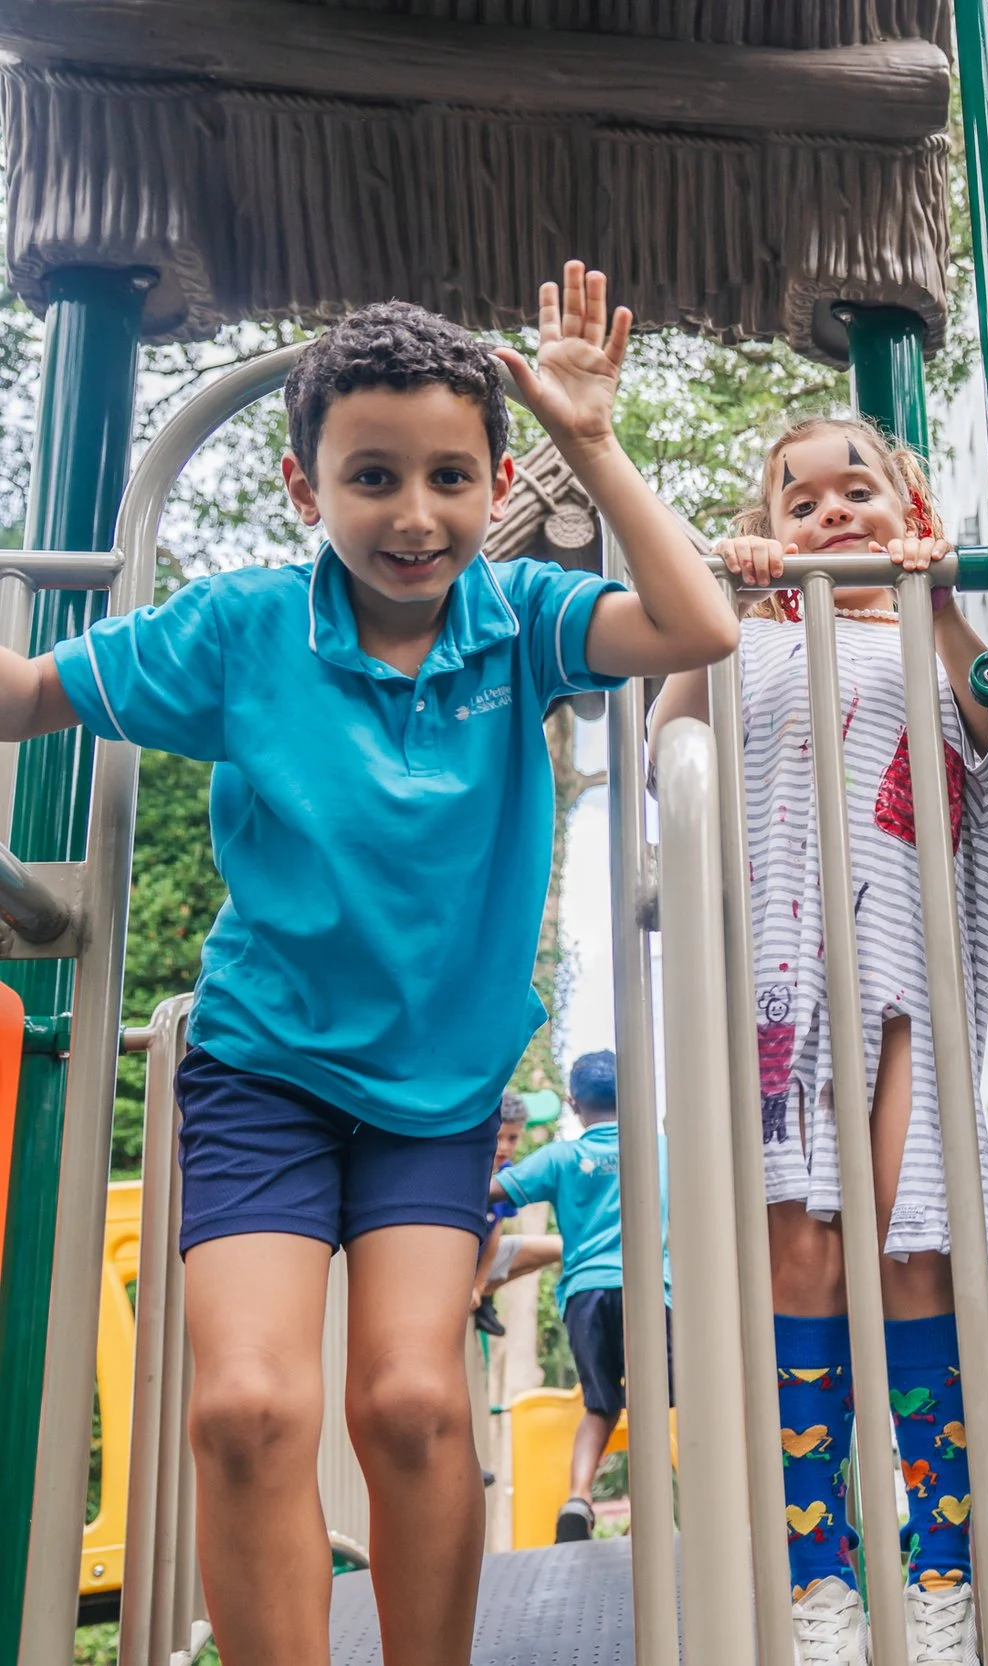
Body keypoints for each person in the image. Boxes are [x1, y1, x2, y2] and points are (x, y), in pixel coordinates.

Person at [0, 266, 738, 1663]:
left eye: (451, 475)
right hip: (260, 1068)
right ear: (304, 486)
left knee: (412, 1399)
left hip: (437, 1090)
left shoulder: (520, 619)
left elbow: (699, 625)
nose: (415, 513)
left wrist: (592, 436)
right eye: (374, 476)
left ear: (495, 476)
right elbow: (38, 693)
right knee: (246, 1407)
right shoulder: (245, 630)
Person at [651, 416, 988, 1666]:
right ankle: (821, 1581)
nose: (824, 516)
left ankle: (944, 1570)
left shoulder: (929, 633)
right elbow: (670, 750)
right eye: (796, 503)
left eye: (853, 489)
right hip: (778, 996)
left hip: (906, 981)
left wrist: (947, 598)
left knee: (915, 1251)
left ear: (909, 506)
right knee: (801, 1266)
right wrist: (717, 601)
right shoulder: (750, 634)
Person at [489, 1050, 669, 1544]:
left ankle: (579, 1497)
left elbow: (493, 1192)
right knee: (659, 1404)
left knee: (600, 1406)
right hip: (652, 1291)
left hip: (586, 1294)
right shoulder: (662, 1151)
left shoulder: (562, 1157)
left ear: (573, 1104)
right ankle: (654, 1508)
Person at [473, 1090, 562, 1334]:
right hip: (451, 1261)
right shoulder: (465, 1168)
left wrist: (479, 1285)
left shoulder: (507, 1175)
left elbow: (495, 1232)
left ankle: (484, 1297)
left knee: (561, 1246)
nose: (503, 1147)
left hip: (481, 1262)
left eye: (512, 1139)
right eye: (498, 1137)